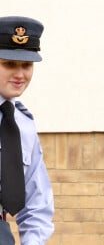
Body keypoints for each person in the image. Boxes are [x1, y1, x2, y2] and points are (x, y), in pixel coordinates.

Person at [0, 16, 54, 244]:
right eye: (9, 64)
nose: (20, 75)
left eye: (27, 65)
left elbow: (36, 204)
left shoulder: (23, 125)